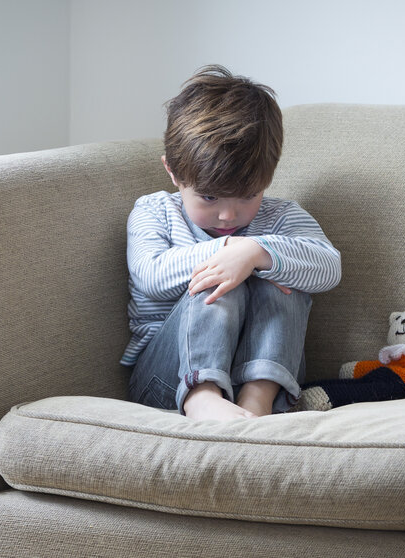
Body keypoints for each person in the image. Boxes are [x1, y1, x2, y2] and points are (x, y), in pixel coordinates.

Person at [122, 65, 341, 421]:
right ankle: (201, 394)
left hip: (269, 378)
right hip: (166, 379)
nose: (228, 216)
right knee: (222, 276)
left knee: (282, 271)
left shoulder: (282, 218)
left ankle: (257, 400)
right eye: (209, 197)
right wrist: (229, 253)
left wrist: (257, 253)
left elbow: (330, 267)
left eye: (246, 197)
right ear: (173, 173)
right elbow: (150, 276)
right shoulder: (155, 211)